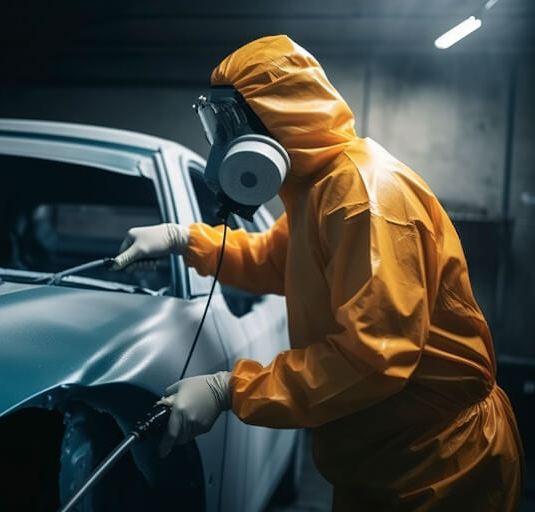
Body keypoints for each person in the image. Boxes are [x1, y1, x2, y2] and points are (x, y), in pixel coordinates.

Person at [112, 35, 523, 511]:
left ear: (280, 118)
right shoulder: (314, 188)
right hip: (381, 456)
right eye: (216, 126)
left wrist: (232, 389)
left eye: (231, 127)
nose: (224, 148)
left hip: (443, 467)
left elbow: (372, 358)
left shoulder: (363, 199)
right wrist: (184, 240)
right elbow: (271, 261)